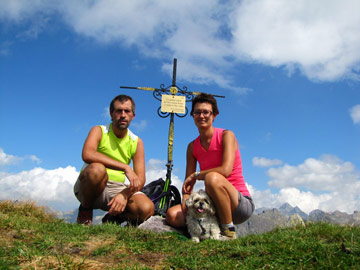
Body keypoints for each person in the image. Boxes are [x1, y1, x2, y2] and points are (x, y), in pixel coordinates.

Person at [166, 93, 254, 239]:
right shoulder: (192, 147)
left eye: (206, 112)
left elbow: (225, 170)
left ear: (214, 115)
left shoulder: (226, 136)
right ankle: (204, 230)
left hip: (239, 204)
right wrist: (185, 204)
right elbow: (188, 183)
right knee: (173, 215)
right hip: (212, 204)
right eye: (197, 112)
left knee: (212, 178)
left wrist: (197, 175)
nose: (201, 116)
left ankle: (228, 231)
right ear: (192, 115)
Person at [74, 94, 154, 225]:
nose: (123, 115)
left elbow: (140, 179)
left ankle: (115, 217)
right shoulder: (99, 130)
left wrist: (125, 194)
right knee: (97, 169)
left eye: (127, 111)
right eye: (118, 111)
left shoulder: (136, 142)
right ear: (111, 114)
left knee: (146, 208)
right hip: (90, 187)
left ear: (133, 116)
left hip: (117, 189)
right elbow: (87, 154)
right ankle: (85, 211)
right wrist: (125, 167)